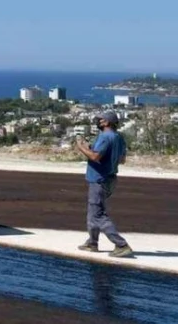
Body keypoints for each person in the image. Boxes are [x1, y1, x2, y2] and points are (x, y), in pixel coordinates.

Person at [75, 111, 133, 258]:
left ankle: (121, 244)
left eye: (100, 121)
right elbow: (122, 160)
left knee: (98, 214)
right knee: (93, 212)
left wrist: (81, 147)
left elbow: (95, 156)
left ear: (107, 122)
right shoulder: (119, 137)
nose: (98, 122)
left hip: (99, 179)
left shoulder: (105, 137)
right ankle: (92, 243)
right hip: (110, 178)